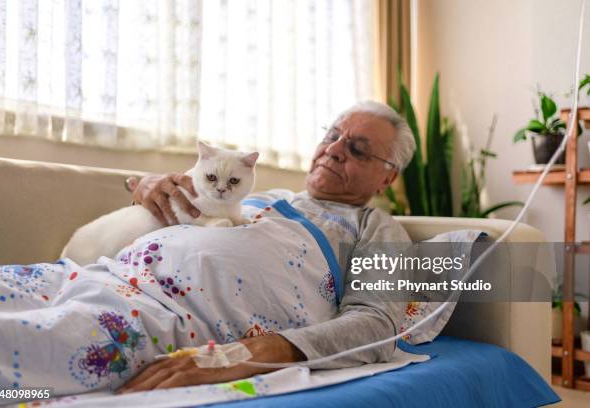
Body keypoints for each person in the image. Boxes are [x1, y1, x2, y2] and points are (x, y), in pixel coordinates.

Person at [119, 101, 417, 393]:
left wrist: (244, 355)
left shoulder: (378, 228)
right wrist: (148, 196)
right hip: (116, 278)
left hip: (165, 322)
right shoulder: (254, 197)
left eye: (358, 149)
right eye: (331, 136)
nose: (334, 150)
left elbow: (376, 323)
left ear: (387, 177)